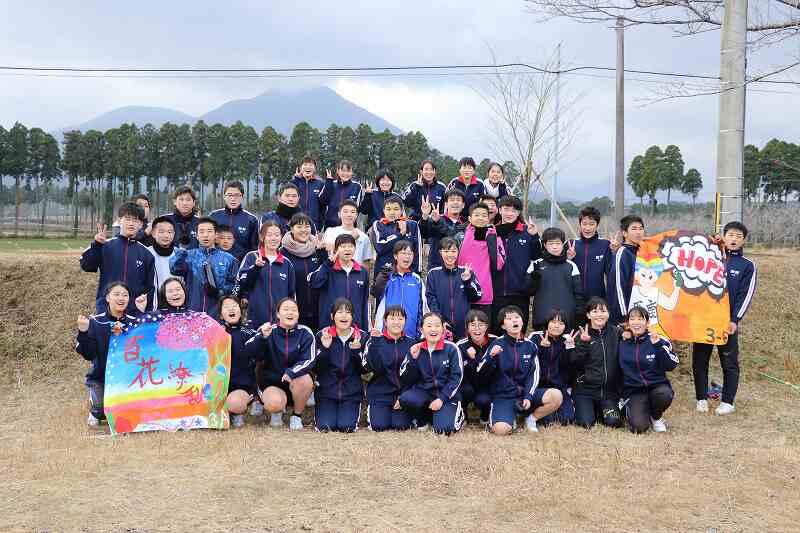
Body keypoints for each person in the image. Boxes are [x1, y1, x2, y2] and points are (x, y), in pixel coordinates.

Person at [692, 221, 757, 416]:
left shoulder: (747, 265)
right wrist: (710, 241)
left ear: (744, 240)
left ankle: (728, 401)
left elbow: (745, 295)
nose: (734, 239)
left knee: (729, 362)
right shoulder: (711, 256)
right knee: (700, 360)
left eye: (739, 236)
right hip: (704, 319)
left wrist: (734, 320)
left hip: (727, 323)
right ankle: (701, 398)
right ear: (724, 236)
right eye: (731, 235)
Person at [478, 305, 561, 434]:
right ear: (503, 326)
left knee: (556, 396)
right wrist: (491, 357)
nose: (514, 320)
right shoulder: (497, 344)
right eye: (509, 319)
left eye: (517, 317)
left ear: (522, 322)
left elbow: (534, 375)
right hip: (504, 396)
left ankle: (531, 418)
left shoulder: (530, 346)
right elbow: (481, 372)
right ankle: (511, 418)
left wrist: (528, 396)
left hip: (524, 394)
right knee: (500, 430)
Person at [75, 282, 147, 426]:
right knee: (103, 412)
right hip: (101, 377)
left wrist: (141, 313)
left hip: (128, 378)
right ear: (108, 298)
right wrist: (83, 332)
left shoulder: (134, 322)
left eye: (125, 295)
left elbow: (145, 346)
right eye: (116, 294)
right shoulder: (95, 322)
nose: (121, 298)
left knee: (136, 411)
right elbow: (88, 354)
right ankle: (95, 405)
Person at [245, 298, 316, 430]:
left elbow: (310, 359)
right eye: (286, 309)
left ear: (298, 314)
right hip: (272, 383)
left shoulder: (305, 332)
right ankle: (277, 412)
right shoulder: (268, 330)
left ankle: (296, 415)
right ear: (278, 314)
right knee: (274, 403)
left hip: (295, 381)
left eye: (294, 310)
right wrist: (261, 337)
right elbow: (249, 351)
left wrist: (291, 372)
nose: (290, 313)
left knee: (305, 380)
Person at [80, 202, 155, 314]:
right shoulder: (105, 245)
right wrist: (97, 245)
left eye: (135, 220)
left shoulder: (146, 254)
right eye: (127, 219)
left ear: (140, 224)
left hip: (134, 313)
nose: (131, 223)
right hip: (106, 311)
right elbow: (86, 266)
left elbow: (149, 288)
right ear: (119, 221)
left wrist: (146, 313)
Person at [398, 312, 464, 435]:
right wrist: (412, 359)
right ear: (421, 329)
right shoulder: (416, 348)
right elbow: (405, 377)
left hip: (447, 395)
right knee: (406, 399)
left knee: (443, 430)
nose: (433, 329)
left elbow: (457, 377)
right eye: (429, 326)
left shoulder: (452, 348)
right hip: (425, 392)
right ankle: (423, 419)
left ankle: (458, 414)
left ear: (443, 329)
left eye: (437, 325)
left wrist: (442, 398)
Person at [619, 306, 679, 433]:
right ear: (628, 323)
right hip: (634, 390)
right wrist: (622, 332)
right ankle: (639, 411)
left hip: (657, 386)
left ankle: (656, 417)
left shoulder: (658, 339)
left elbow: (671, 365)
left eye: (640, 319)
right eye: (632, 319)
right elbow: (609, 331)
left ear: (647, 323)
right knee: (639, 427)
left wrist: (657, 346)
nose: (636, 322)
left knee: (664, 394)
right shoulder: (622, 341)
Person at [314, 299, 366, 432]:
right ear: (332, 316)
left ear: (352, 316)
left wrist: (356, 352)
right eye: (340, 312)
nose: (344, 316)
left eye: (348, 312)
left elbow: (365, 370)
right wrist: (325, 349)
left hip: (351, 393)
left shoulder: (362, 336)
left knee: (346, 427)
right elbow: (316, 368)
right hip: (326, 392)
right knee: (325, 427)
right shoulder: (322, 335)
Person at [570, 297, 623, 428]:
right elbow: (573, 362)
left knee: (613, 423)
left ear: (608, 314)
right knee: (586, 423)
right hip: (585, 390)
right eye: (595, 311)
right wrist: (584, 344)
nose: (599, 315)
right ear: (588, 315)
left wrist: (628, 331)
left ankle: (602, 410)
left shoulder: (617, 333)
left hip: (608, 393)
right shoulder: (580, 334)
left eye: (603, 311)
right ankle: (585, 408)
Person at [169, 217, 238, 318]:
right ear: (197, 236)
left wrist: (220, 292)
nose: (205, 235)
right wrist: (182, 249)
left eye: (209, 231)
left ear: (216, 235)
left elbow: (235, 286)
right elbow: (174, 269)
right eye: (201, 232)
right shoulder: (189, 256)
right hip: (192, 311)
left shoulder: (229, 259)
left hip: (218, 313)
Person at [491, 195, 541, 334]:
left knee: (518, 333)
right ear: (500, 210)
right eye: (506, 209)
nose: (510, 213)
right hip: (497, 292)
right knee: (497, 332)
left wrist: (534, 237)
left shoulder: (527, 231)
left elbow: (537, 257)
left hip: (520, 293)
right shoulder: (492, 231)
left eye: (514, 210)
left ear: (519, 213)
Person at [362, 305, 415, 431]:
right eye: (392, 318)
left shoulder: (412, 343)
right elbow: (369, 367)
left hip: (402, 395)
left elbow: (414, 375)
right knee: (379, 426)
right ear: (385, 321)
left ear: (405, 321)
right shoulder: (375, 341)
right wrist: (375, 344)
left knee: (401, 426)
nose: (396, 322)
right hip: (380, 393)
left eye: (400, 319)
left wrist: (405, 397)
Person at [236, 220, 296, 328]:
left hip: (280, 323)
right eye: (269, 235)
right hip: (254, 321)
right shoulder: (251, 257)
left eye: (277, 235)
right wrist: (255, 268)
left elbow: (291, 295)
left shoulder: (287, 263)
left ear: (281, 237)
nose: (273, 238)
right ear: (262, 237)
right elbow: (241, 284)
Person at [308, 233, 371, 331]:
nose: (347, 249)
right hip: (330, 327)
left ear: (355, 249)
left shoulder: (362, 272)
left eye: (350, 246)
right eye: (343, 246)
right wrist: (328, 264)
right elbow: (315, 283)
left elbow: (364, 302)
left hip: (355, 328)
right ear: (336, 250)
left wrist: (365, 329)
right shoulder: (327, 268)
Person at [425, 237, 482, 339]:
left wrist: (467, 282)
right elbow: (431, 299)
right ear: (440, 252)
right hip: (442, 326)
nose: (450, 255)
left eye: (453, 251)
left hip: (464, 326)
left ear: (458, 252)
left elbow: (476, 297)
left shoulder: (466, 272)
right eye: (446, 251)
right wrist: (440, 320)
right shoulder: (433, 274)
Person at [529, 227, 585, 330]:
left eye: (558, 243)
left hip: (567, 319)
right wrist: (534, 278)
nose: (555, 247)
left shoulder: (571, 265)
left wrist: (579, 315)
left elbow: (578, 294)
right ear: (545, 245)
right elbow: (527, 291)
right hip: (542, 318)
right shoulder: (536, 264)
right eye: (551, 243)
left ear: (563, 244)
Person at [528, 310, 577, 425]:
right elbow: (527, 362)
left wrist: (570, 348)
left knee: (567, 419)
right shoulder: (536, 337)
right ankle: (534, 415)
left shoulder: (566, 340)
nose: (557, 326)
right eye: (553, 322)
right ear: (547, 323)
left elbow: (569, 366)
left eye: (561, 323)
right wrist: (541, 348)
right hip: (539, 387)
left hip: (558, 386)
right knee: (547, 421)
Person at [456, 202, 505, 316]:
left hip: (483, 292)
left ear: (488, 219)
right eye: (477, 215)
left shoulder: (494, 236)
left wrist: (492, 241)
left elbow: (499, 264)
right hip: (461, 291)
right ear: (470, 218)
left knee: (482, 326)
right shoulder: (460, 235)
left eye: (484, 215)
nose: (480, 218)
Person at [372, 241, 428, 339]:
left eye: (410, 254)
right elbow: (375, 293)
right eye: (403, 253)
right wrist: (381, 279)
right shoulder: (386, 277)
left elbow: (423, 308)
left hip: (411, 336)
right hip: (386, 335)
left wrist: (422, 333)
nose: (407, 257)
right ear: (395, 256)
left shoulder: (417, 280)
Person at [280, 213, 326, 331]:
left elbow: (326, 276)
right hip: (293, 312)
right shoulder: (282, 253)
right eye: (299, 226)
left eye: (307, 226)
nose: (303, 230)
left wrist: (323, 253)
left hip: (318, 312)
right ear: (291, 229)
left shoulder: (318, 250)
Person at [219, 295, 258, 429]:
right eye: (226, 307)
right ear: (221, 315)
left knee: (234, 403)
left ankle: (236, 411)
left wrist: (262, 338)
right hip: (219, 386)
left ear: (241, 311)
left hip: (241, 386)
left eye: (235, 306)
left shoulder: (250, 333)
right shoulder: (214, 333)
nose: (231, 309)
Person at [455, 310, 495, 425]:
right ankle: (463, 412)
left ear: (486, 326)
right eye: (472, 325)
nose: (477, 329)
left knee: (484, 400)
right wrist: (470, 360)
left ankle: (485, 414)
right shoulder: (461, 345)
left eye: (481, 325)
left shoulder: (495, 341)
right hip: (468, 384)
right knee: (465, 391)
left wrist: (478, 359)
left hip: (487, 385)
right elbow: (457, 371)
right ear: (467, 328)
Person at [368, 194, 422, 276]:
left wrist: (416, 273)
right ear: (383, 210)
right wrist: (399, 234)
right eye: (388, 209)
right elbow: (380, 247)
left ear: (402, 210)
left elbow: (417, 251)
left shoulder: (412, 225)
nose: (392, 212)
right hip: (385, 272)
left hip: (407, 273)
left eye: (396, 209)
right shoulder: (378, 224)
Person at [607, 215, 645, 325]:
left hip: (640, 313)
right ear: (624, 233)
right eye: (634, 229)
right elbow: (618, 287)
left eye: (641, 228)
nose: (638, 232)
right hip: (625, 318)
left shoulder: (641, 253)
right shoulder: (623, 253)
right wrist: (624, 317)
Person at [209, 180, 259, 261]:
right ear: (224, 196)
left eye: (237, 195)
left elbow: (254, 248)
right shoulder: (214, 216)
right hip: (215, 263)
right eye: (229, 195)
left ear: (242, 197)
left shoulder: (251, 220)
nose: (233, 199)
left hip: (240, 264)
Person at [569, 206, 612, 300]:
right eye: (584, 224)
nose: (587, 228)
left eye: (591, 224)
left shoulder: (605, 245)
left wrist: (615, 252)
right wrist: (568, 258)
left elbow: (611, 273)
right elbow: (562, 270)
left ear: (597, 225)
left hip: (597, 298)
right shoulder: (571, 244)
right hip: (574, 298)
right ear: (580, 224)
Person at [419, 188, 466, 270]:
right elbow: (423, 233)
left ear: (463, 205)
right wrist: (425, 216)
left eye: (458, 200)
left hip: (458, 268)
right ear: (446, 204)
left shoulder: (466, 223)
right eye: (452, 200)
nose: (455, 202)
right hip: (437, 267)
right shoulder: (436, 218)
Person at [322, 200, 376, 269]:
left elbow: (366, 263)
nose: (349, 215)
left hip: (355, 273)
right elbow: (328, 253)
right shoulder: (330, 231)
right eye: (345, 211)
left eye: (352, 212)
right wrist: (351, 238)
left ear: (356, 215)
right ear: (339, 214)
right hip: (334, 272)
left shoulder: (363, 237)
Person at [319, 160, 363, 229]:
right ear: (338, 171)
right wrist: (328, 183)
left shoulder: (357, 186)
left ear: (352, 172)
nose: (345, 174)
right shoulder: (331, 184)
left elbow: (357, 208)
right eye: (343, 171)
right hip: (330, 226)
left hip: (349, 227)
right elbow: (322, 201)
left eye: (348, 171)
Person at [290, 156, 326, 230]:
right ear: (300, 168)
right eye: (305, 165)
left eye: (311, 165)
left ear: (315, 169)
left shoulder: (320, 184)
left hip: (314, 225)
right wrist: (296, 179)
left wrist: (320, 226)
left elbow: (323, 206)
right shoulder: (294, 182)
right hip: (296, 224)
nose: (308, 167)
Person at [145, 215, 176, 293]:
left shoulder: (180, 254)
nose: (166, 235)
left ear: (174, 234)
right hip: (152, 298)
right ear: (153, 233)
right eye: (161, 232)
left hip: (174, 297)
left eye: (169, 232)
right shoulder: (146, 253)